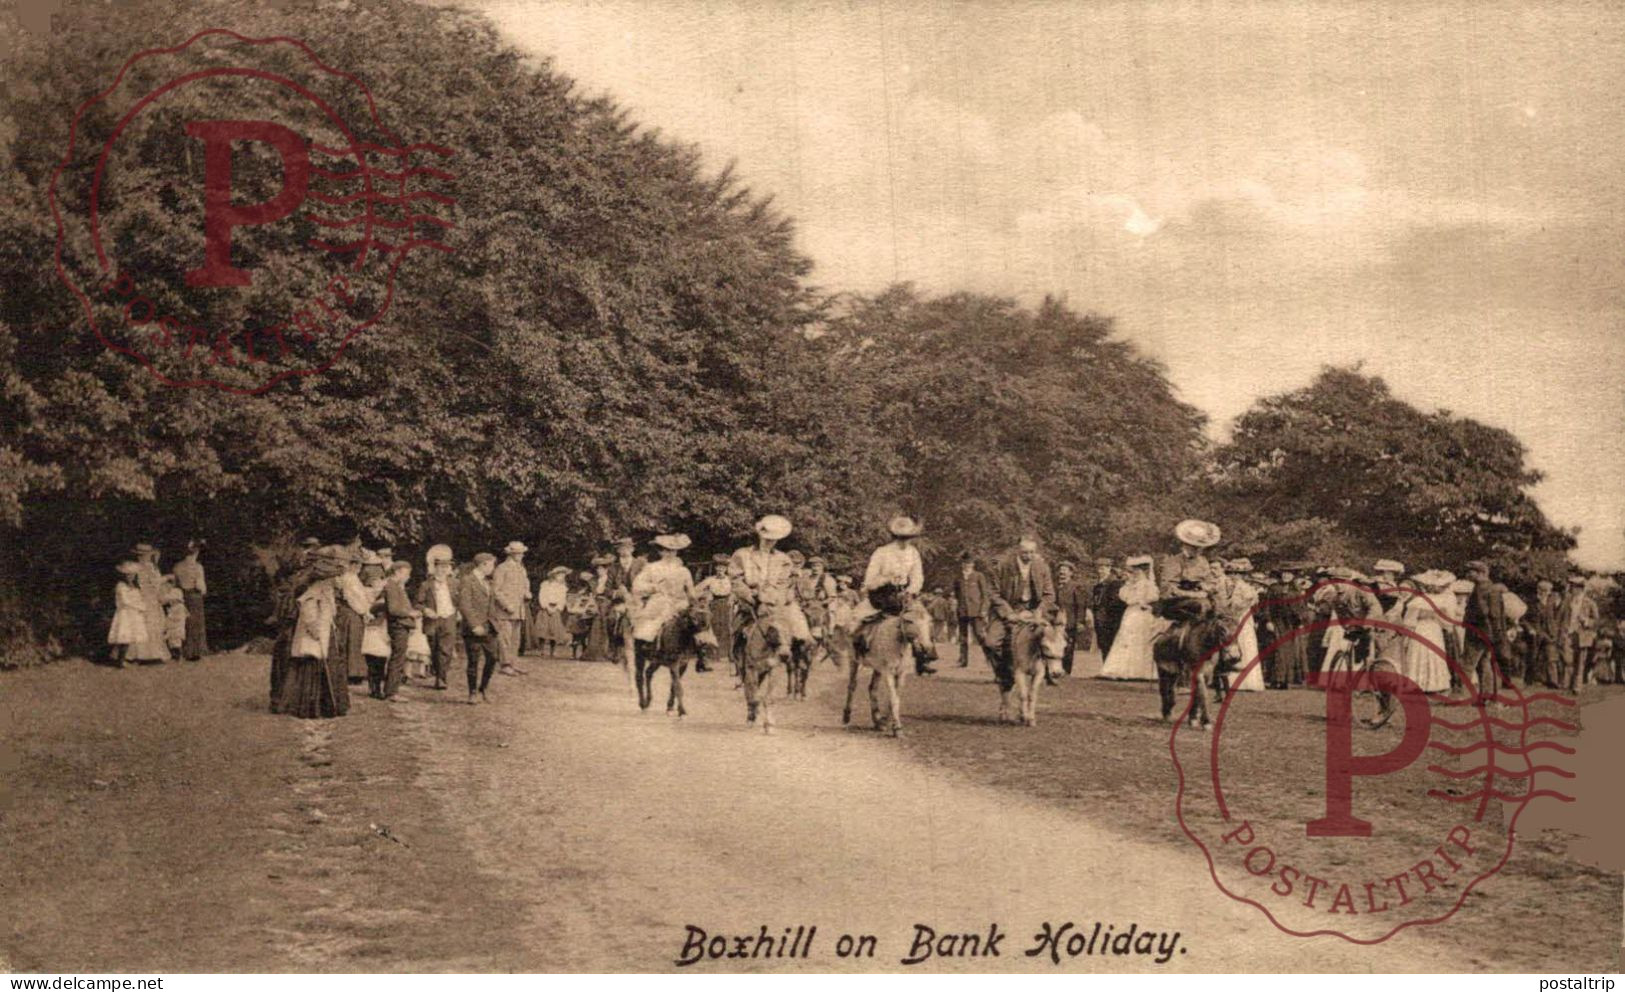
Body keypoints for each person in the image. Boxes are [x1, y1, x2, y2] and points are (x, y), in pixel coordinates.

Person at [729, 514, 810, 667]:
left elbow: (782, 583)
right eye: (766, 538)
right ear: (759, 535)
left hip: (775, 601)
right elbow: (736, 580)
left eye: (773, 539)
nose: (769, 542)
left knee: (801, 630)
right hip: (749, 600)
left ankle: (796, 658)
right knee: (738, 630)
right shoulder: (742, 555)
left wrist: (771, 598)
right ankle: (738, 658)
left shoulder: (783, 560)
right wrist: (749, 595)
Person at [278, 546, 350, 719]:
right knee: (312, 670)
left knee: (329, 667)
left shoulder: (327, 593)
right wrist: (315, 630)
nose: (335, 581)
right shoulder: (313, 592)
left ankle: (328, 706)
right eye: (332, 578)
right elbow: (308, 614)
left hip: (326, 634)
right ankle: (313, 708)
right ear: (324, 579)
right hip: (315, 637)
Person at [857, 515, 932, 674]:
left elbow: (918, 576)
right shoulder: (882, 552)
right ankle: (861, 651)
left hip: (904, 596)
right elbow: (869, 579)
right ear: (894, 536)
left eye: (908, 538)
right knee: (857, 621)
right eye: (901, 538)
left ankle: (923, 656)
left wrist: (911, 591)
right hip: (881, 596)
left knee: (923, 619)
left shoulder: (913, 553)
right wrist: (886, 580)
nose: (904, 541)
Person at [984, 536, 1055, 690]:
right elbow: (993, 594)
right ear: (1017, 551)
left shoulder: (1042, 567)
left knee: (1050, 637)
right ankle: (1005, 673)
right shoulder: (1003, 566)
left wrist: (1038, 612)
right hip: (1008, 610)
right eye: (1024, 552)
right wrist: (1010, 614)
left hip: (1033, 611)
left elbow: (1049, 594)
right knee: (991, 643)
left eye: (1031, 552)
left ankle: (1049, 671)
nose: (1028, 556)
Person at [1100, 556, 1159, 680]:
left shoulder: (1148, 585)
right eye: (1134, 571)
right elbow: (1124, 597)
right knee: (1126, 638)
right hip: (1131, 613)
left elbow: (1153, 597)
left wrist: (1144, 603)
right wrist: (1129, 587)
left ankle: (1141, 671)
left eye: (1139, 572)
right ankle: (1122, 669)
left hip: (1142, 614)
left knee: (1141, 639)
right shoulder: (1129, 585)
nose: (1136, 574)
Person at [631, 534, 696, 647]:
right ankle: (647, 648)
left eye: (674, 551)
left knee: (698, 626)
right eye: (667, 550)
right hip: (659, 603)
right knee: (644, 628)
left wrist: (694, 603)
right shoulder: (652, 567)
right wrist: (654, 588)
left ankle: (701, 658)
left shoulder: (683, 570)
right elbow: (637, 586)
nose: (671, 554)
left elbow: (691, 592)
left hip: (680, 604)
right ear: (661, 552)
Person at [1398, 570, 1454, 692]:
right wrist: (1446, 627)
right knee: (1433, 654)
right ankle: (1435, 684)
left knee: (1419, 655)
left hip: (1421, 628)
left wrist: (1407, 633)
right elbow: (1446, 619)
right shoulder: (1441, 601)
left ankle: (1418, 683)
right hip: (1434, 629)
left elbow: (1410, 620)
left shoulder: (1418, 601)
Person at [457, 552, 502, 704]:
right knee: (473, 661)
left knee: (493, 658)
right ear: (483, 564)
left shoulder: (487, 582)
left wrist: (495, 622)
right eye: (491, 565)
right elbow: (464, 604)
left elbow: (491, 605)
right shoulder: (467, 580)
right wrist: (474, 625)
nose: (493, 568)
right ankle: (473, 692)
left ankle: (483, 688)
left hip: (489, 627)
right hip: (473, 629)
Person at [1214, 558, 1264, 693]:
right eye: (1231, 573)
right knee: (1227, 645)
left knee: (1245, 644)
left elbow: (1249, 603)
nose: (1234, 577)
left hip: (1242, 618)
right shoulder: (1220, 586)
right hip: (1227, 618)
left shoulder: (1247, 589)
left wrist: (1235, 609)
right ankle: (1228, 679)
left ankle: (1248, 681)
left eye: (1237, 574)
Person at [1460, 560, 1509, 696]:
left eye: (1471, 571)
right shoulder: (1489, 587)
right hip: (1487, 633)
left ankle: (1460, 695)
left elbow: (1486, 612)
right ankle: (1487, 695)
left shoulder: (1482, 588)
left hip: (1478, 632)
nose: (1468, 574)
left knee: (1467, 664)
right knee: (1485, 663)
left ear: (1481, 573)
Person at [414, 546, 458, 690]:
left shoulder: (454, 584)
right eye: (440, 567)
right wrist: (426, 610)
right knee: (434, 648)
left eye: (446, 567)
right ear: (435, 568)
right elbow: (417, 604)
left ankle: (441, 678)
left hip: (449, 618)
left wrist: (458, 612)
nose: (443, 570)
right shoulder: (426, 585)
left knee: (447, 649)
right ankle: (436, 671)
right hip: (432, 620)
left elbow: (460, 600)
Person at [381, 560, 420, 702]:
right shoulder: (391, 586)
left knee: (398, 658)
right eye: (406, 573)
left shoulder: (396, 586)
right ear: (397, 572)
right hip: (398, 626)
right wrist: (410, 613)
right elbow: (393, 609)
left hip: (400, 625)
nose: (408, 576)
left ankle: (391, 689)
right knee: (398, 658)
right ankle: (391, 692)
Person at [493, 541, 531, 676]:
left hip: (518, 609)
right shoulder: (502, 568)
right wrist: (506, 605)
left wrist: (527, 593)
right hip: (505, 611)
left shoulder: (522, 568)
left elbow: (525, 585)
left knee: (516, 639)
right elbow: (496, 590)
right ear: (510, 554)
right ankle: (505, 664)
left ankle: (513, 663)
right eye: (518, 553)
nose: (521, 556)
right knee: (505, 638)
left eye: (521, 553)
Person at [1557, 574, 1599, 693]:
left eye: (1575, 587)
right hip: (1568, 633)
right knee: (1567, 660)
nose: (1572, 589)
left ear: (1581, 589)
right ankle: (1566, 683)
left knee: (1580, 662)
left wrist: (1586, 621)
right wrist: (1561, 631)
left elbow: (1596, 621)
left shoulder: (1590, 603)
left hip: (1583, 636)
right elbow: (1560, 616)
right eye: (1572, 587)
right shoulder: (1567, 600)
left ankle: (1577, 687)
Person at [128, 543, 169, 663]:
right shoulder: (150, 567)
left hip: (141, 598)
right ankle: (151, 653)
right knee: (151, 624)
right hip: (150, 598)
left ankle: (138, 653)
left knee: (141, 624)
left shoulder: (136, 567)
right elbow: (156, 584)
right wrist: (167, 578)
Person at [952, 551, 992, 668]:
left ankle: (989, 657)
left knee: (980, 635)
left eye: (969, 563)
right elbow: (957, 594)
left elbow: (985, 595)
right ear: (962, 564)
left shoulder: (979, 576)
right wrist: (958, 608)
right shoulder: (958, 578)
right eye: (965, 562)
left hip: (976, 611)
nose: (967, 565)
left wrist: (983, 610)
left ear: (973, 564)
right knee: (963, 637)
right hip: (962, 611)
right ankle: (963, 660)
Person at [694, 555, 733, 673]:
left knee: (727, 628)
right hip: (714, 605)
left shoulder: (730, 580)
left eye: (723, 568)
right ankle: (713, 656)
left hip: (727, 606)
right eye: (718, 568)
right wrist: (705, 595)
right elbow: (696, 589)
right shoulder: (710, 580)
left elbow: (736, 591)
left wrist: (732, 598)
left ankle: (728, 655)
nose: (720, 570)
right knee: (713, 629)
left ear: (726, 569)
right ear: (716, 569)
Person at [172, 540, 208, 661]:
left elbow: (175, 584)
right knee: (196, 624)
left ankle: (183, 650)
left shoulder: (177, 566)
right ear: (196, 552)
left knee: (184, 623)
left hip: (182, 596)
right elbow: (200, 586)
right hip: (195, 596)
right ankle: (194, 652)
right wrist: (203, 591)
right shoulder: (197, 567)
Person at [107, 561, 147, 667]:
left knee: (130, 637)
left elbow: (139, 598)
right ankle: (120, 660)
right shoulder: (121, 586)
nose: (130, 576)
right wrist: (139, 606)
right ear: (124, 575)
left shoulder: (135, 586)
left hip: (133, 614)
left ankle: (123, 659)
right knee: (124, 637)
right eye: (128, 574)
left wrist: (142, 606)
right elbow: (125, 601)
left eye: (132, 574)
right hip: (125, 614)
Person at [1053, 561, 1089, 677]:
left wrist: (1080, 622)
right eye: (1061, 570)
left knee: (1068, 646)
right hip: (1055, 621)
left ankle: (1066, 670)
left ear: (1071, 573)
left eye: (1065, 570)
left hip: (1070, 621)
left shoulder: (1076, 587)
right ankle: (1054, 669)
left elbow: (1081, 605)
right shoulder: (1054, 586)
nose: (1062, 572)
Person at [1087, 557, 1126, 660]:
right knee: (1103, 645)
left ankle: (1111, 670)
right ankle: (1105, 668)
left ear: (1109, 568)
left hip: (1110, 619)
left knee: (1110, 644)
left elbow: (1115, 602)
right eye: (1099, 568)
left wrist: (1106, 614)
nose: (1101, 571)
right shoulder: (1097, 585)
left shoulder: (1115, 583)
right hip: (1099, 619)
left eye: (1103, 568)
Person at [534, 566, 572, 659]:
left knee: (554, 631)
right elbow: (542, 596)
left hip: (555, 609)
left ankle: (552, 651)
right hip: (545, 608)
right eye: (560, 575)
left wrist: (557, 608)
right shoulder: (545, 585)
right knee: (543, 630)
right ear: (554, 575)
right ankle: (542, 650)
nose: (562, 577)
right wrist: (546, 606)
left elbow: (562, 599)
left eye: (563, 576)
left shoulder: (563, 587)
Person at [160, 575, 187, 659]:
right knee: (171, 640)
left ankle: (179, 655)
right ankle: (174, 654)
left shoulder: (179, 606)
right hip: (172, 625)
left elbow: (180, 617)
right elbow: (164, 600)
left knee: (176, 640)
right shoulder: (172, 607)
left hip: (177, 625)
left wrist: (172, 616)